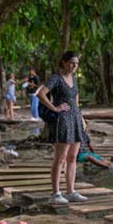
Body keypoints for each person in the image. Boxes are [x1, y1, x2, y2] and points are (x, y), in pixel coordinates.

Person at [36, 51, 88, 204]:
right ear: (64, 62)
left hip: (76, 119)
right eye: (72, 63)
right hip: (62, 120)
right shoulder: (56, 78)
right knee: (61, 158)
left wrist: (82, 119)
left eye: (77, 64)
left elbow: (75, 100)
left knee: (73, 158)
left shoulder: (74, 79)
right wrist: (54, 108)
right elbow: (40, 93)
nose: (74, 66)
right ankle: (56, 193)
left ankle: (71, 191)